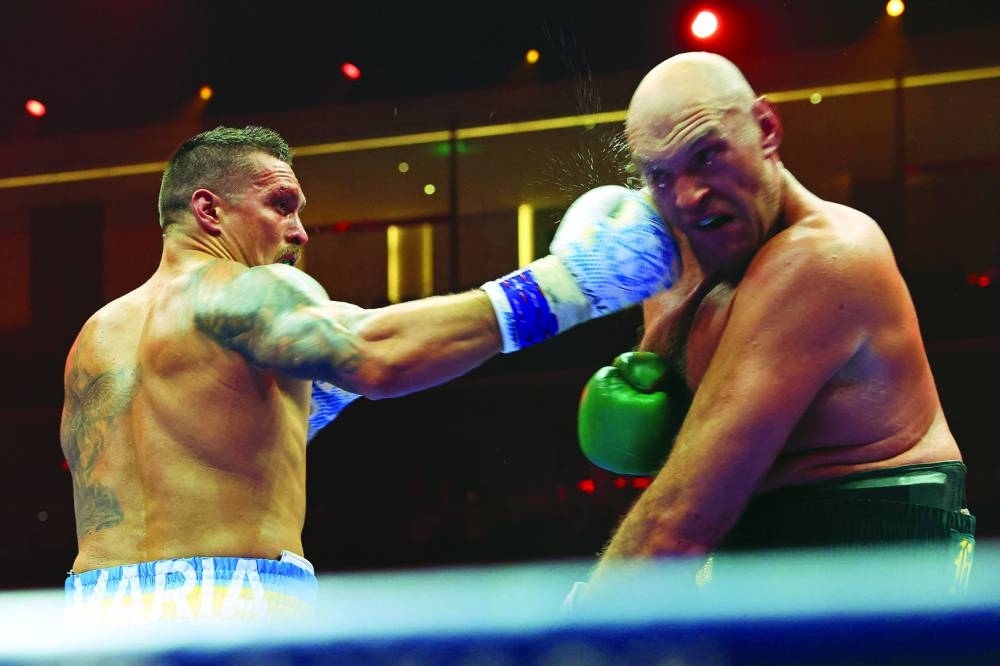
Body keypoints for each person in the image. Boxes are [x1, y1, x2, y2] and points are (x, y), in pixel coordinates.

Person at [60, 125, 680, 624]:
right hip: (230, 605)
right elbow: (377, 354)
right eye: (280, 205)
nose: (300, 230)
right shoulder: (243, 291)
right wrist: (578, 282)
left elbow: (192, 459)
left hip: (91, 616)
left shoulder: (97, 335)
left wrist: (310, 401)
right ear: (209, 210)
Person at [576, 52, 975, 596]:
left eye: (708, 155)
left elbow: (681, 519)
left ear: (766, 128)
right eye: (661, 175)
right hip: (762, 555)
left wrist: (576, 626)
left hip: (878, 560)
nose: (689, 194)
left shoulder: (825, 258)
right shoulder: (677, 255)